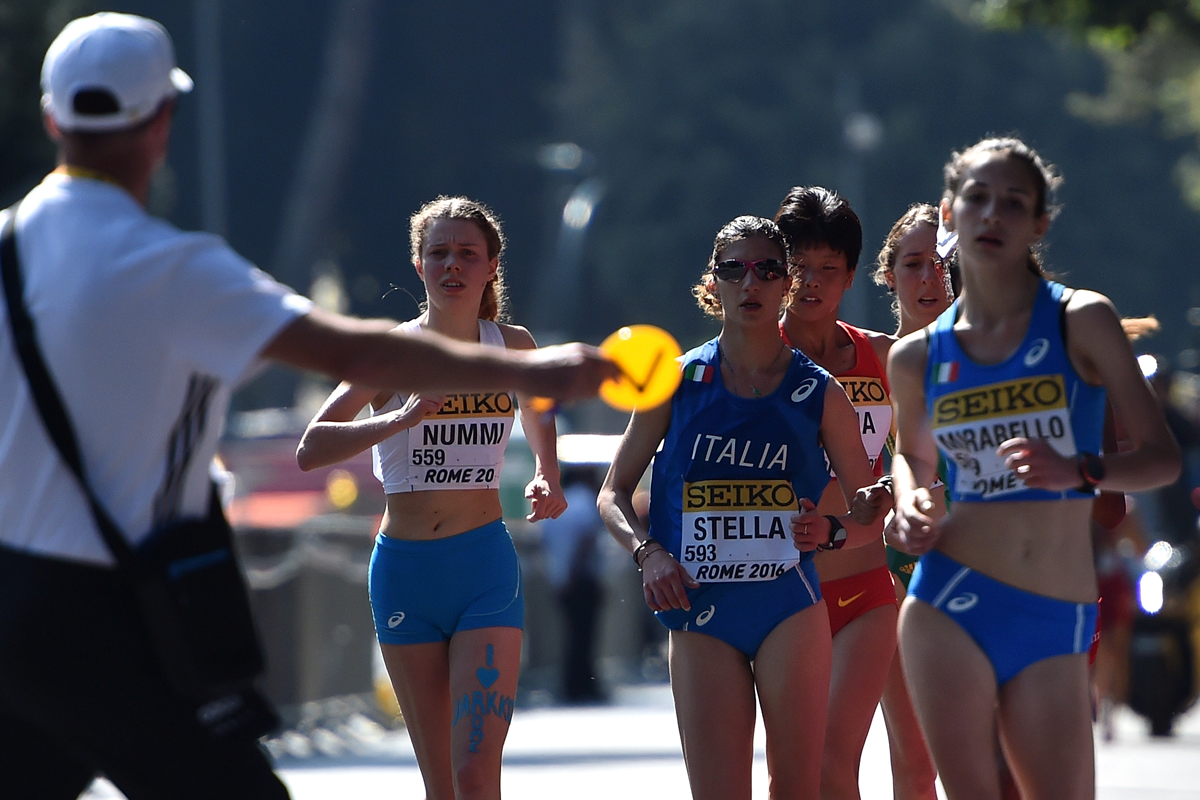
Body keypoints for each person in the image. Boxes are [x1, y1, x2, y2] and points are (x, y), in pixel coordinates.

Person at [0, 14, 614, 800]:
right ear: (163, 122)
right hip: (123, 613)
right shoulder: (178, 269)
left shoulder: (10, 252)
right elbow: (356, 353)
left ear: (52, 120)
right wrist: (545, 371)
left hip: (12, 610)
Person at [887, 136, 1181, 799]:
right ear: (948, 213)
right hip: (947, 601)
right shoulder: (915, 359)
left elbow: (1161, 460)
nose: (993, 215)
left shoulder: (1083, 320)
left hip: (1052, 612)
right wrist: (909, 502)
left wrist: (1080, 468)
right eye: (978, 198)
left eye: (1013, 204)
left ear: (1039, 224)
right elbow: (912, 455)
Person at [598, 216, 882, 800]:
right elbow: (613, 494)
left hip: (788, 607)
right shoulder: (676, 380)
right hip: (701, 609)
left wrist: (829, 531)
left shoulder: (820, 390)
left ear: (785, 285)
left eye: (766, 270)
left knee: (797, 788)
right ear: (712, 284)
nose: (749, 283)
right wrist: (648, 554)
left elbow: (870, 510)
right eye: (733, 269)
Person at [295, 195, 568, 799]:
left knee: (475, 773)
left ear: (491, 266)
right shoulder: (392, 354)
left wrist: (546, 472)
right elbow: (311, 447)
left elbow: (540, 403)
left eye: (467, 254)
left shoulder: (511, 345)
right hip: (406, 571)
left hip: (483, 569)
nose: (452, 266)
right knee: (441, 782)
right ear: (418, 266)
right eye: (438, 253)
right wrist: (399, 417)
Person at [775, 186, 904, 799]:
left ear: (851, 276)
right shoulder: (755, 362)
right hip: (783, 595)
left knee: (834, 763)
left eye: (828, 269)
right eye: (798, 267)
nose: (811, 282)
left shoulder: (883, 356)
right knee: (794, 776)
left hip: (869, 585)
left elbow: (920, 461)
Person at [868, 203, 952, 800]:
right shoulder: (861, 361)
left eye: (943, 263)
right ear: (888, 275)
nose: (930, 278)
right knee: (915, 759)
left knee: (996, 755)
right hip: (893, 576)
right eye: (913, 264)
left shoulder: (993, 358)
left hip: (989, 565)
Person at [541, 464, 608, 704]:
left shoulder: (556, 505)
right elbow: (587, 539)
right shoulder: (584, 502)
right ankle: (583, 684)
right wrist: (575, 570)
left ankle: (571, 683)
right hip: (581, 579)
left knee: (571, 634)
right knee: (584, 635)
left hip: (560, 580)